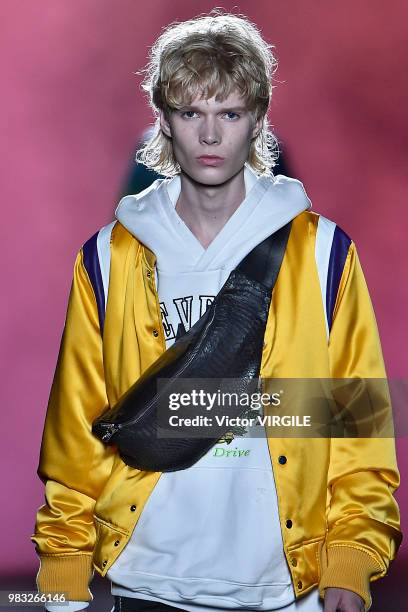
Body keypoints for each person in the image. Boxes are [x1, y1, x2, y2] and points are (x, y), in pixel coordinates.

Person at [31, 11, 402, 612]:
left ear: (257, 118)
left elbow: (358, 421)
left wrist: (351, 560)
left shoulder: (325, 252)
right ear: (164, 120)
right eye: (190, 113)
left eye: (228, 113)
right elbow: (78, 426)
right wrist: (64, 570)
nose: (209, 136)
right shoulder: (109, 257)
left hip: (290, 582)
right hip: (147, 578)